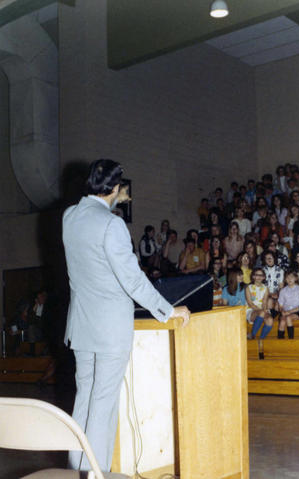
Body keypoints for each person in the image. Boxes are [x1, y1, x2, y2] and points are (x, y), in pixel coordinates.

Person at [62, 159, 190, 472]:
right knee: (103, 405)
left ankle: (77, 471)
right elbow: (132, 280)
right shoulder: (112, 224)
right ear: (116, 189)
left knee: (85, 401)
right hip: (109, 331)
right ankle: (96, 473)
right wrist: (167, 309)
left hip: (81, 326)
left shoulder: (69, 216)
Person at [246, 268, 273, 339]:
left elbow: (264, 302)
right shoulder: (249, 288)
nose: (259, 277)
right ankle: (252, 335)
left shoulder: (265, 288)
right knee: (261, 313)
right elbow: (250, 303)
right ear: (253, 276)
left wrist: (264, 310)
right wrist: (261, 311)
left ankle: (261, 339)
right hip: (251, 310)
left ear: (264, 277)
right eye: (257, 275)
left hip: (262, 309)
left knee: (270, 320)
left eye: (261, 275)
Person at [277, 270, 299, 339]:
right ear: (285, 279)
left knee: (288, 318)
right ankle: (280, 341)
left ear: (296, 278)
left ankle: (291, 340)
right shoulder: (283, 290)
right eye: (287, 277)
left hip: (297, 311)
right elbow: (280, 305)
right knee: (282, 321)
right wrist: (282, 311)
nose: (289, 279)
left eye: (291, 277)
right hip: (285, 311)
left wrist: (289, 312)